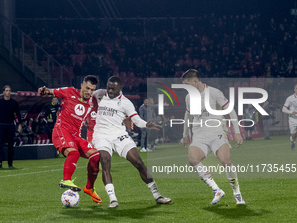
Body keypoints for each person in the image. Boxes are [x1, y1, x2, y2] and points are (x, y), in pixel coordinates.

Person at [92, 76, 172, 208]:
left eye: (113, 88)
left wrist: (146, 124)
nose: (110, 90)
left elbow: (136, 120)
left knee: (138, 163)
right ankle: (113, 199)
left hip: (119, 134)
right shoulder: (99, 94)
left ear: (120, 88)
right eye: (108, 87)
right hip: (101, 135)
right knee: (105, 161)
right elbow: (83, 95)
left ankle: (157, 196)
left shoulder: (125, 102)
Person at [182, 69, 245, 205]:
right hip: (199, 135)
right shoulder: (189, 97)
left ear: (195, 81)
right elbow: (188, 115)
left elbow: (231, 110)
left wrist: (237, 132)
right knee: (193, 159)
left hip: (217, 132)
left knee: (226, 163)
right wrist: (185, 134)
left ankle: (237, 192)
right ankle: (216, 190)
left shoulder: (214, 92)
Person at [38, 75, 101, 203]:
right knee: (74, 153)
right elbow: (50, 91)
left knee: (96, 156)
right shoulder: (69, 91)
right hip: (62, 130)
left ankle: (89, 188)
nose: (89, 92)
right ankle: (66, 179)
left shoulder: (93, 102)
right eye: (87, 88)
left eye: (92, 90)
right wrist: (44, 91)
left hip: (76, 136)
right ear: (82, 84)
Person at [0, 85, 22, 168]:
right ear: (3, 92)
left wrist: (19, 124)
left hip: (10, 125)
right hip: (1, 125)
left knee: (10, 145)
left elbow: (18, 114)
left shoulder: (14, 102)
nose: (8, 92)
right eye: (6, 90)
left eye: (9, 90)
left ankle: (10, 163)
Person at [282, 84, 297, 151]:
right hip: (293, 119)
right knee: (293, 134)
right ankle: (293, 142)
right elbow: (283, 109)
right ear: (294, 89)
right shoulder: (290, 98)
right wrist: (291, 112)